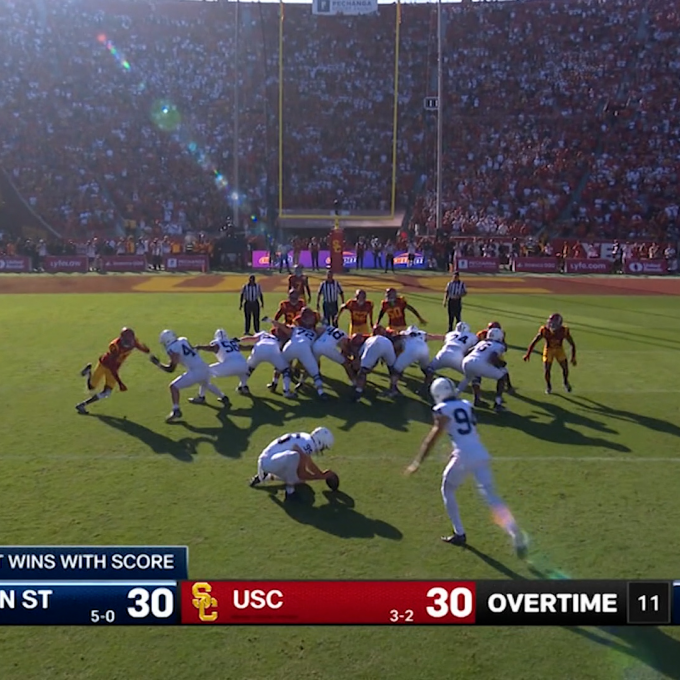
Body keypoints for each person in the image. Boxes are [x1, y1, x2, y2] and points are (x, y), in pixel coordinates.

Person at [404, 377, 528, 557]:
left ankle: (459, 533)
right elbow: (469, 430)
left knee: (447, 489)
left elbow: (433, 436)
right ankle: (515, 532)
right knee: (492, 497)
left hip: (463, 456)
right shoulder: (466, 404)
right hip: (480, 452)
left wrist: (418, 461)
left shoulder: (442, 409)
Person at [151, 330, 228, 422]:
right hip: (204, 366)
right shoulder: (183, 340)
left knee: (173, 387)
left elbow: (171, 369)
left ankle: (176, 410)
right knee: (205, 384)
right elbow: (192, 350)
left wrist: (158, 364)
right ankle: (223, 397)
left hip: (196, 371)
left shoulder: (172, 348)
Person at [76, 327, 150, 414]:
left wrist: (145, 350)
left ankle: (82, 405)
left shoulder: (132, 341)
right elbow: (112, 367)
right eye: (127, 341)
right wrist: (120, 383)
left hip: (114, 368)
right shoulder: (115, 346)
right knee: (91, 387)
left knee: (106, 393)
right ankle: (89, 372)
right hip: (104, 365)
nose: (129, 344)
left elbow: (137, 346)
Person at [250, 427, 337, 500]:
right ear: (320, 442)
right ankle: (290, 491)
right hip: (269, 462)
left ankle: (268, 476)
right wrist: (320, 477)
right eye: (323, 447)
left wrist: (321, 474)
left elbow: (308, 463)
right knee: (295, 457)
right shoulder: (308, 445)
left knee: (300, 479)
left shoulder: (307, 438)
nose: (322, 450)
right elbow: (301, 473)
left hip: (270, 459)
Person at [268, 310, 328, 399]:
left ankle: (282, 388)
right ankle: (321, 393)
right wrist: (324, 321)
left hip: (291, 345)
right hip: (304, 348)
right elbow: (326, 328)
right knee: (315, 372)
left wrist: (271, 321)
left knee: (282, 366)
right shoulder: (316, 331)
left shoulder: (296, 328)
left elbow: (283, 327)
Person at [189, 329, 251, 403]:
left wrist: (199, 347)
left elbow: (212, 348)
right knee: (242, 370)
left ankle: (202, 396)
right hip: (244, 365)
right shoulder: (233, 342)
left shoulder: (217, 343)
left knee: (204, 374)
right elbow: (246, 347)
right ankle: (244, 386)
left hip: (229, 365)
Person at [456, 327, 507, 412]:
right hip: (479, 364)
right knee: (502, 376)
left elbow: (467, 352)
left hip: (467, 362)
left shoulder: (482, 342)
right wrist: (499, 365)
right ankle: (498, 404)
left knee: (470, 378)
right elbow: (493, 357)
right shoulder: (499, 345)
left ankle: (455, 396)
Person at [523, 313, 576, 394]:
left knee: (565, 368)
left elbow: (572, 344)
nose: (552, 324)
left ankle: (565, 382)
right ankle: (548, 386)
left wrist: (573, 357)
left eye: (554, 323)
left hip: (559, 349)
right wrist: (528, 354)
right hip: (549, 349)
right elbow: (534, 341)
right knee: (547, 369)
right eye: (551, 322)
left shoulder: (564, 331)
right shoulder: (544, 330)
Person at [386, 325, 444, 397]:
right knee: (426, 369)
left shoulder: (404, 333)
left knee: (395, 370)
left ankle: (393, 389)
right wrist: (445, 337)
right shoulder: (422, 334)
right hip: (424, 350)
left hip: (411, 351)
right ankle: (426, 386)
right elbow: (434, 336)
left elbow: (396, 344)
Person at [423, 322, 478, 392]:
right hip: (458, 356)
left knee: (429, 369)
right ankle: (477, 397)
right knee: (475, 376)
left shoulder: (450, 334)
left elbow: (443, 338)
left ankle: (425, 386)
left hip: (444, 354)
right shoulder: (472, 336)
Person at [240, 330, 296, 399]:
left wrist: (239, 340)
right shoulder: (281, 339)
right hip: (272, 350)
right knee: (286, 370)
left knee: (248, 368)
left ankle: (241, 386)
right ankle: (286, 391)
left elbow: (251, 338)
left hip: (258, 349)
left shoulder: (263, 333)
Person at [348, 325, 397, 402]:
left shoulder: (369, 340)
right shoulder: (387, 337)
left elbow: (360, 356)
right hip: (388, 343)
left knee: (363, 371)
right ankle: (393, 388)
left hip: (374, 345)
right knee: (392, 368)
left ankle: (358, 392)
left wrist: (359, 364)